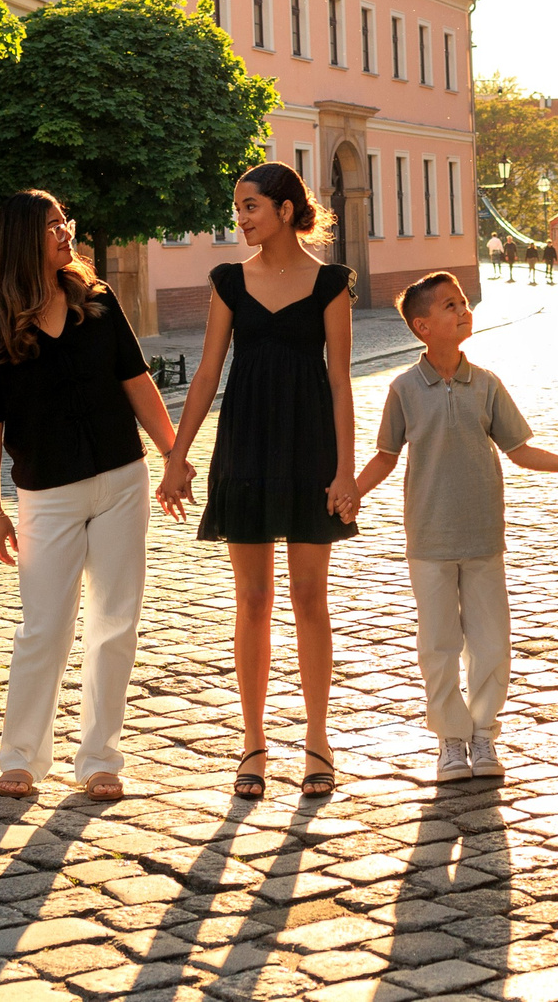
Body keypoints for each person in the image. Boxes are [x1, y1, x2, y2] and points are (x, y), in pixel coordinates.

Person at [0, 190, 183, 803]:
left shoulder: (98, 302)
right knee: (44, 627)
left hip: (121, 481)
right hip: (46, 494)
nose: (67, 233)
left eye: (67, 223)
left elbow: (136, 384)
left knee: (115, 622)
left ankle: (100, 759)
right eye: (55, 225)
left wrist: (173, 455)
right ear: (22, 238)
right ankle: (21, 757)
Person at [162, 162, 357, 799]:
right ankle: (252, 744)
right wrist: (177, 453)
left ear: (283, 208)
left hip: (309, 451)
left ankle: (319, 740)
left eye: (249, 206)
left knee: (309, 598)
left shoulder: (331, 283)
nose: (239, 217)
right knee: (252, 600)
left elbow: (339, 382)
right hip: (245, 446)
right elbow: (207, 373)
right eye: (238, 205)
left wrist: (345, 472)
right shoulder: (227, 281)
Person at [344, 272, 558, 783]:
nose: (464, 310)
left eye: (465, 302)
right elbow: (385, 456)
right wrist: (353, 493)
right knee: (439, 645)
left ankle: (484, 734)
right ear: (423, 326)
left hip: (483, 537)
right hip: (428, 539)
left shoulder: (487, 383)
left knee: (492, 642)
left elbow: (519, 450)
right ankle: (451, 739)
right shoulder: (403, 388)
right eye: (451, 305)